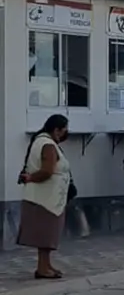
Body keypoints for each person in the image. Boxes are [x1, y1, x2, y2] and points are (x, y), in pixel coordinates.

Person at [18, 115, 72, 280]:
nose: (64, 135)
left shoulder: (41, 141)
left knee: (48, 234)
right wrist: (31, 178)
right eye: (63, 131)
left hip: (48, 197)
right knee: (46, 235)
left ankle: (46, 265)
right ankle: (42, 268)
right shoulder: (47, 145)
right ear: (56, 130)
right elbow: (47, 171)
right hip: (45, 198)